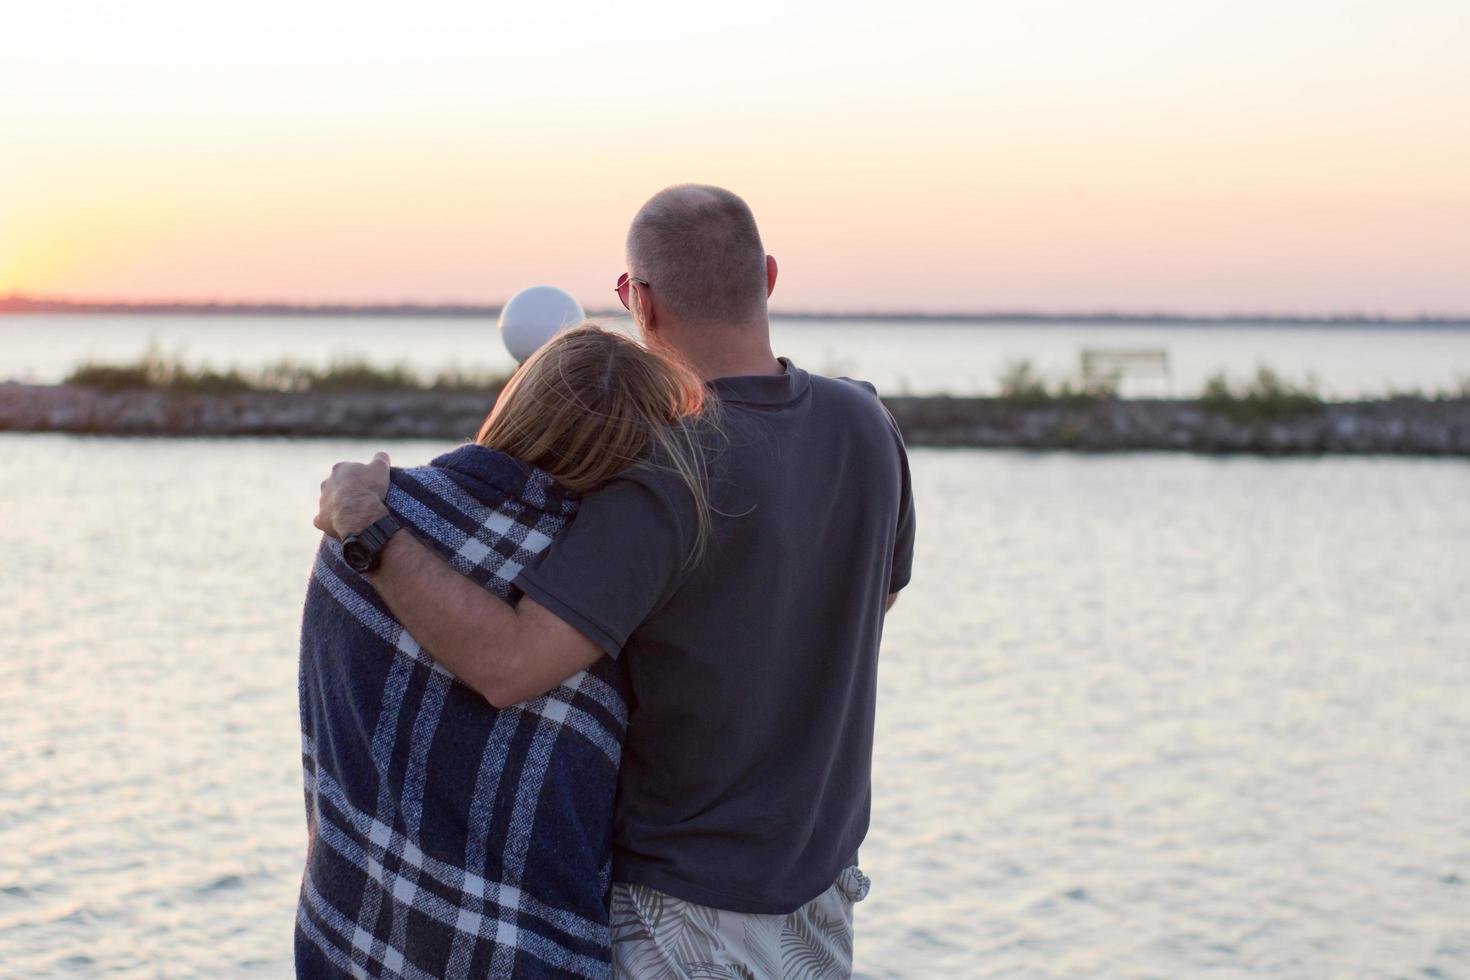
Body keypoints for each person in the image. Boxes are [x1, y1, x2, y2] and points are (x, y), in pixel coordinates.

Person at [316, 185, 916, 978]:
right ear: (767, 277)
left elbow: (508, 666)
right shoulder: (868, 425)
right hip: (824, 899)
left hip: (685, 918)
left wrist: (371, 530)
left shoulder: (670, 470)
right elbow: (874, 600)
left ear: (639, 302)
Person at [299, 325, 711, 979]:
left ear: (519, 400)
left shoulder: (365, 516)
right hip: (527, 955)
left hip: (354, 935)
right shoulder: (599, 589)